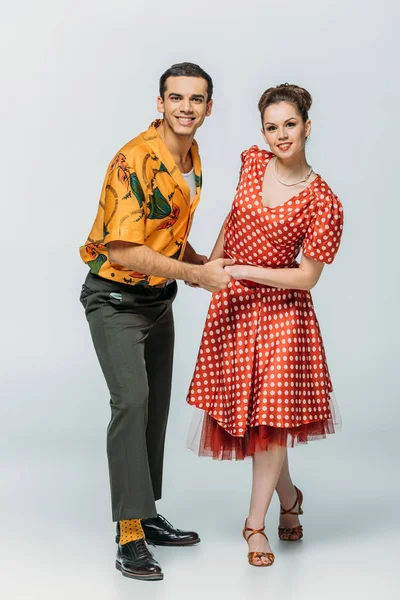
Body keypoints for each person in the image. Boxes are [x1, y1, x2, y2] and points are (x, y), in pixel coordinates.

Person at [79, 62, 233, 582]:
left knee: (154, 410)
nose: (186, 108)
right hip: (114, 299)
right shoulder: (133, 160)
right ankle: (128, 535)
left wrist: (196, 273)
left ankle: (145, 513)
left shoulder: (191, 156)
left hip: (157, 300)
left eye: (196, 99)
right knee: (132, 403)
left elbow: (165, 232)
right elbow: (124, 247)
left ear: (209, 107)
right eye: (176, 98)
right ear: (160, 103)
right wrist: (196, 273)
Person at [187, 83, 344, 567]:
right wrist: (209, 268)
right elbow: (234, 218)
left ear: (307, 127)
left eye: (289, 125)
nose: (280, 135)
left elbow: (308, 277)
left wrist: (247, 271)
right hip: (234, 306)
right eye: (271, 126)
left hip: (283, 315)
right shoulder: (252, 163)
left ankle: (254, 525)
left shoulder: (323, 201)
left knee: (272, 421)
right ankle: (291, 501)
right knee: (258, 419)